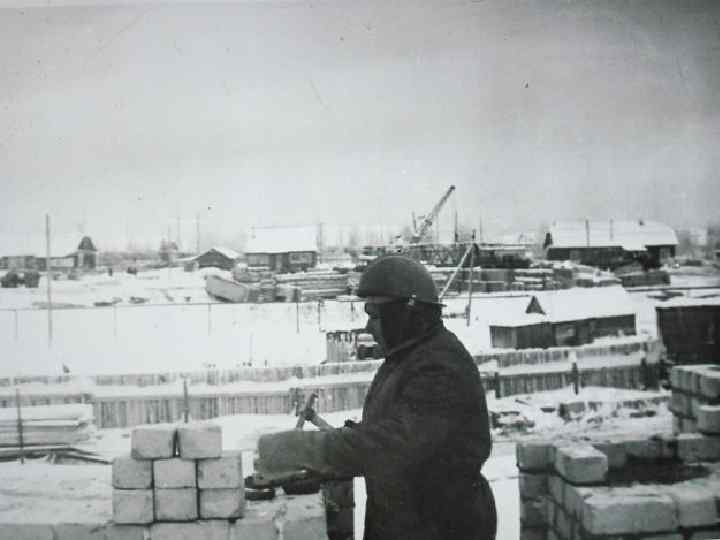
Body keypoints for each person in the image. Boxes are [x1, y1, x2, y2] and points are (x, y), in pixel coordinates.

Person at [256, 254, 496, 540]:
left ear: (405, 314)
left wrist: (301, 449)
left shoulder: (441, 367)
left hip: (439, 527)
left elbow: (392, 446)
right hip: (407, 522)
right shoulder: (408, 358)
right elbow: (389, 430)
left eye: (374, 314)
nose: (368, 327)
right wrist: (329, 455)